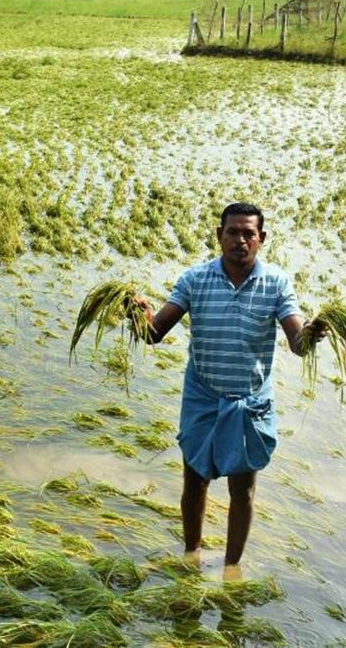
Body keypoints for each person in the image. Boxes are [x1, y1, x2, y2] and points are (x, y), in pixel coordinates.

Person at [132, 202, 325, 573]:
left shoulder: (276, 284)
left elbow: (297, 344)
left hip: (249, 400)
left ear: (261, 239)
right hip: (203, 396)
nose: (240, 240)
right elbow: (155, 333)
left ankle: (232, 565)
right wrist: (138, 314)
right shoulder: (195, 280)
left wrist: (313, 335)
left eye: (248, 233)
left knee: (243, 490)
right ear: (219, 236)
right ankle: (191, 555)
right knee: (195, 483)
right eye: (233, 232)